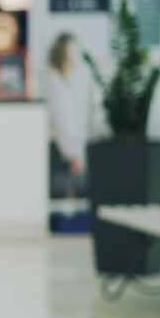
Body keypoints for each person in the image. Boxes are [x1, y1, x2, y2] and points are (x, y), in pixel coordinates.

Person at [46, 31, 95, 198]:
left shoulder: (64, 82)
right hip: (62, 153)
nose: (77, 57)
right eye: (74, 51)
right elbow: (62, 121)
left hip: (67, 151)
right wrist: (73, 154)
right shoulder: (55, 83)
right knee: (64, 199)